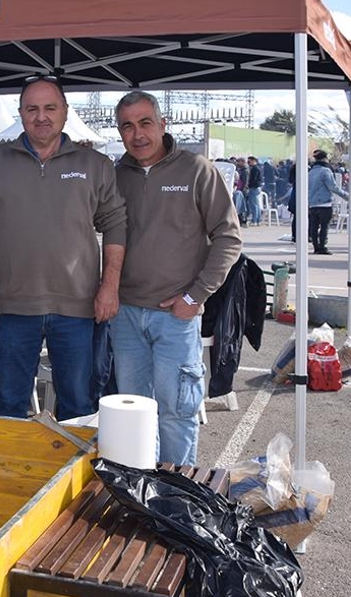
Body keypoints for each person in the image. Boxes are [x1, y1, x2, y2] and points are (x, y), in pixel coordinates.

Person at [0, 76, 126, 421]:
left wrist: (109, 286)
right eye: (32, 109)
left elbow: (115, 223)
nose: (41, 117)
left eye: (50, 108)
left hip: (77, 307)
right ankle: (15, 476)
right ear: (21, 114)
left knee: (78, 405)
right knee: (10, 403)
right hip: (14, 305)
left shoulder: (94, 164)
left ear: (65, 112)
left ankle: (75, 477)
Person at [109, 91, 240, 467]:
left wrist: (196, 295)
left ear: (163, 124)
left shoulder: (197, 170)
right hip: (127, 316)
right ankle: (140, 491)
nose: (137, 134)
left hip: (175, 317)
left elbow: (229, 237)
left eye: (145, 123)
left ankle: (177, 495)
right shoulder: (116, 176)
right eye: (127, 127)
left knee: (177, 413)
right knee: (133, 415)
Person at [307, 149, 347, 255]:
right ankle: (322, 246)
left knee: (314, 226)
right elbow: (333, 187)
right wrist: (346, 196)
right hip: (324, 203)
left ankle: (316, 246)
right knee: (324, 226)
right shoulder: (326, 171)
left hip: (312, 203)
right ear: (325, 158)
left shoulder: (310, 172)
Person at [245, 156, 262, 225]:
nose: (249, 163)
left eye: (249, 161)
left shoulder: (254, 169)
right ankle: (258, 220)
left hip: (254, 188)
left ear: (253, 161)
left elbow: (253, 179)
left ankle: (254, 220)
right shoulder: (258, 168)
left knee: (253, 205)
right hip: (257, 187)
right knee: (257, 205)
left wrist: (248, 186)